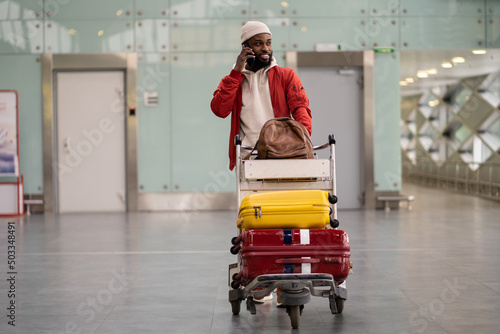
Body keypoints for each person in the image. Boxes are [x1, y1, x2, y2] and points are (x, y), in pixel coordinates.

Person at [210, 21, 312, 170]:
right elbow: (219, 110)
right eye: (258, 44)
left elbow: (300, 109)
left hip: (281, 153)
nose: (266, 49)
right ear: (245, 47)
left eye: (268, 43)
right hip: (248, 157)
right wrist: (237, 71)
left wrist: (300, 140)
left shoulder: (286, 76)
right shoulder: (233, 80)